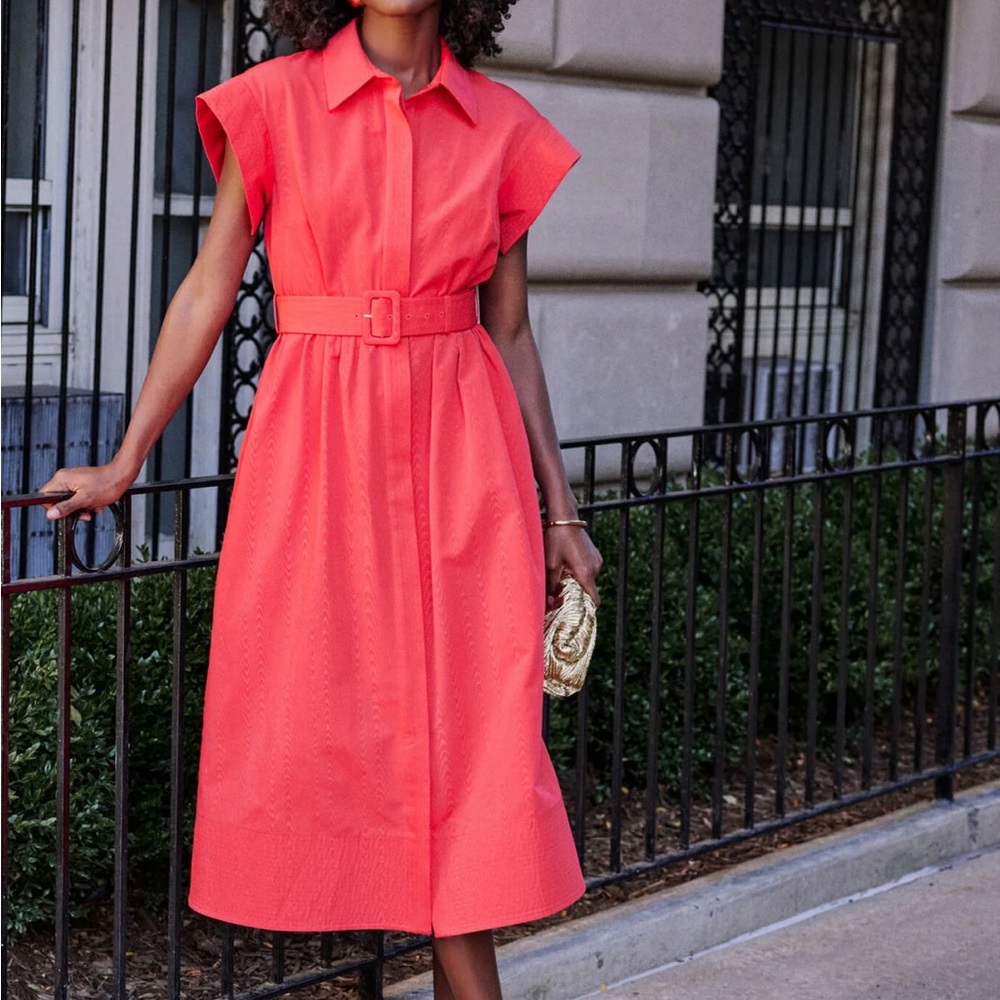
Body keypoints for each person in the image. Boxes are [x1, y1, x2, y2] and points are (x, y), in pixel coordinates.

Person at [41, 2, 602, 997]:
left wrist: (560, 513)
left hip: (466, 456)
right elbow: (210, 285)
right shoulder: (275, 103)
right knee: (322, 721)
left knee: (474, 736)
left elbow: (510, 332)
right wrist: (127, 458)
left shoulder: (504, 128)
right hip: (319, 454)